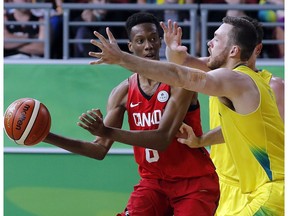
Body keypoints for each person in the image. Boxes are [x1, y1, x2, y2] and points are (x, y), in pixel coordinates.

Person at [88, 15, 284, 215]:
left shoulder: (235, 79)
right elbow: (235, 130)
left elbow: (183, 76)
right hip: (262, 191)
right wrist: (200, 141)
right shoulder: (248, 83)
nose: (210, 42)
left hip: (271, 192)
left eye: (216, 39)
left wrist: (122, 58)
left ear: (234, 50)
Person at [44, 12, 219, 215]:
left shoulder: (180, 83)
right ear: (130, 47)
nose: (148, 45)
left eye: (153, 39)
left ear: (160, 42)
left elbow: (162, 139)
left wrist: (106, 130)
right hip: (153, 184)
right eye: (140, 40)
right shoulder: (122, 93)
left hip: (193, 183)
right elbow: (98, 150)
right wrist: (45, 135)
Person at [163, 16, 284, 215]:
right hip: (221, 181)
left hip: (259, 185)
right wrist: (171, 48)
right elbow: (180, 65)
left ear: (256, 49)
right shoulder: (215, 71)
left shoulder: (274, 86)